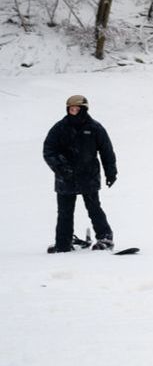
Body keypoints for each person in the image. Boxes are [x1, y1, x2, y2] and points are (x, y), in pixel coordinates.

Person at [42, 95, 118, 252]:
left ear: (84, 110)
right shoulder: (59, 128)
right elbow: (49, 151)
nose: (73, 112)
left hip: (88, 176)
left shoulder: (95, 128)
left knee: (94, 208)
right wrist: (62, 168)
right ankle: (63, 243)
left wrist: (111, 172)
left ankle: (105, 238)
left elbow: (106, 151)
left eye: (77, 109)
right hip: (65, 178)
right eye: (71, 109)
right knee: (64, 212)